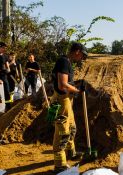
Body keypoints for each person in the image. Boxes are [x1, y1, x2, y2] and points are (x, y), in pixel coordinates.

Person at [51, 42, 87, 172]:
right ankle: (59, 164)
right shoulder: (64, 62)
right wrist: (77, 91)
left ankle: (71, 152)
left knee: (72, 128)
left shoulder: (66, 62)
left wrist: (77, 84)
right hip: (61, 101)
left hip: (66, 100)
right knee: (62, 132)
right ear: (77, 51)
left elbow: (66, 83)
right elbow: (62, 85)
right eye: (82, 55)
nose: (82, 58)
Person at [0, 42, 11, 111]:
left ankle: (8, 106)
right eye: (3, 48)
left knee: (7, 91)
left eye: (5, 48)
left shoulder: (5, 56)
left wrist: (7, 70)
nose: (4, 49)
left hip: (4, 76)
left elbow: (8, 67)